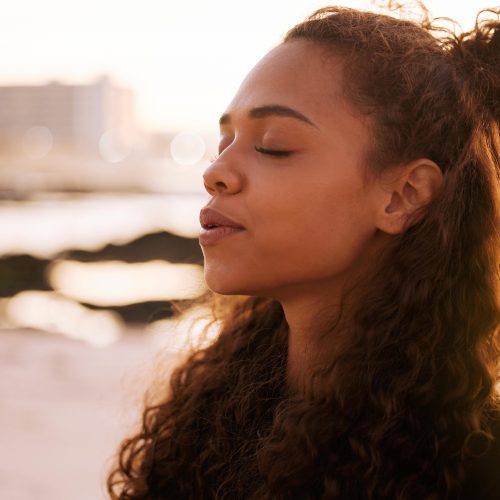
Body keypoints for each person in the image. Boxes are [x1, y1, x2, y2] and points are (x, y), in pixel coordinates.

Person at [107, 4, 500, 499]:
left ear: (403, 196)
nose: (215, 173)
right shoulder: (215, 414)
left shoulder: (475, 466)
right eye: (224, 142)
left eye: (273, 145)